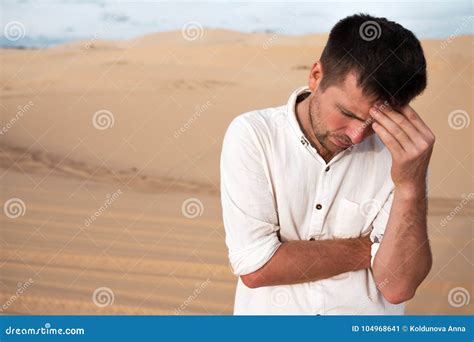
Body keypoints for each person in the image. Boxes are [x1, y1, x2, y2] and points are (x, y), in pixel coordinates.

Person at [220, 13, 435, 315]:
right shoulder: (254, 135)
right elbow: (257, 268)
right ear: (316, 75)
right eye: (348, 113)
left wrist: (410, 186)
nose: (358, 136)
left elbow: (398, 285)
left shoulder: (403, 156)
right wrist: (370, 249)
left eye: (376, 123)